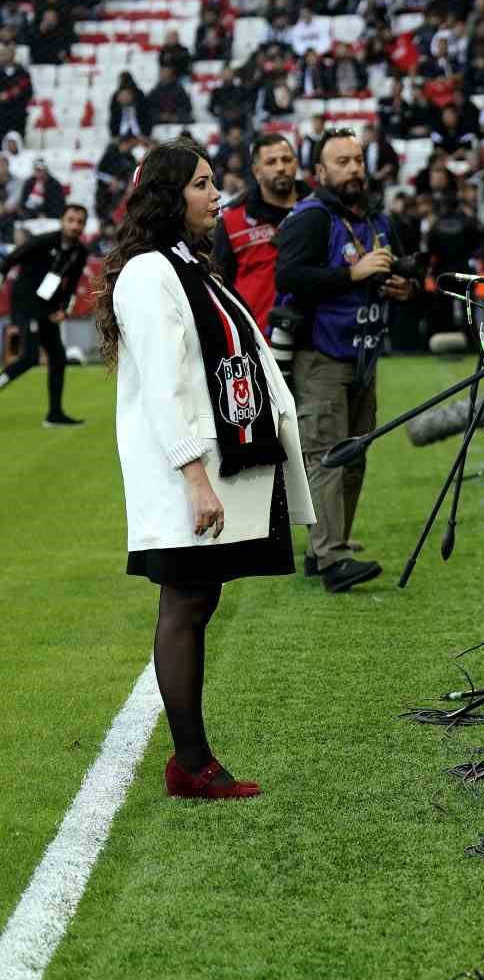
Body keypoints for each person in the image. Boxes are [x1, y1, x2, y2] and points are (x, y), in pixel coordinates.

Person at [95, 138, 314, 799]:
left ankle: (190, 759)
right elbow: (164, 386)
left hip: (207, 463)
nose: (214, 194)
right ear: (168, 196)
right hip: (182, 471)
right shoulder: (148, 273)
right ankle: (190, 762)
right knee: (186, 602)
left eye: (213, 181)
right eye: (200, 183)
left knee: (198, 600)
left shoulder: (185, 264)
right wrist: (194, 476)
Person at [274, 127, 415, 593]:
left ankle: (327, 545)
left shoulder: (376, 218)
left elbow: (394, 269)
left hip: (364, 355)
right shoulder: (311, 218)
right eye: (342, 161)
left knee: (354, 456)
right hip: (322, 355)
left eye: (357, 160)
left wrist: (401, 287)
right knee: (327, 454)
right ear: (320, 172)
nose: (354, 168)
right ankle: (332, 559)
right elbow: (290, 275)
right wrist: (351, 272)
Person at [0, 204, 90, 425]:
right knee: (30, 357)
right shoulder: (44, 241)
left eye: (80, 222)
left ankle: (55, 415)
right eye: (71, 220)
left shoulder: (80, 253)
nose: (75, 225)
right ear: (62, 221)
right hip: (25, 303)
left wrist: (64, 310)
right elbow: (13, 257)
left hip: (48, 307)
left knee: (58, 357)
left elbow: (71, 286)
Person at [214, 134, 302, 351]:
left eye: (286, 160)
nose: (281, 167)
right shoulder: (232, 220)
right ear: (256, 172)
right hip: (256, 344)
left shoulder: (320, 213)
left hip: (312, 346)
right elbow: (219, 285)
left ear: (296, 164)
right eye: (271, 162)